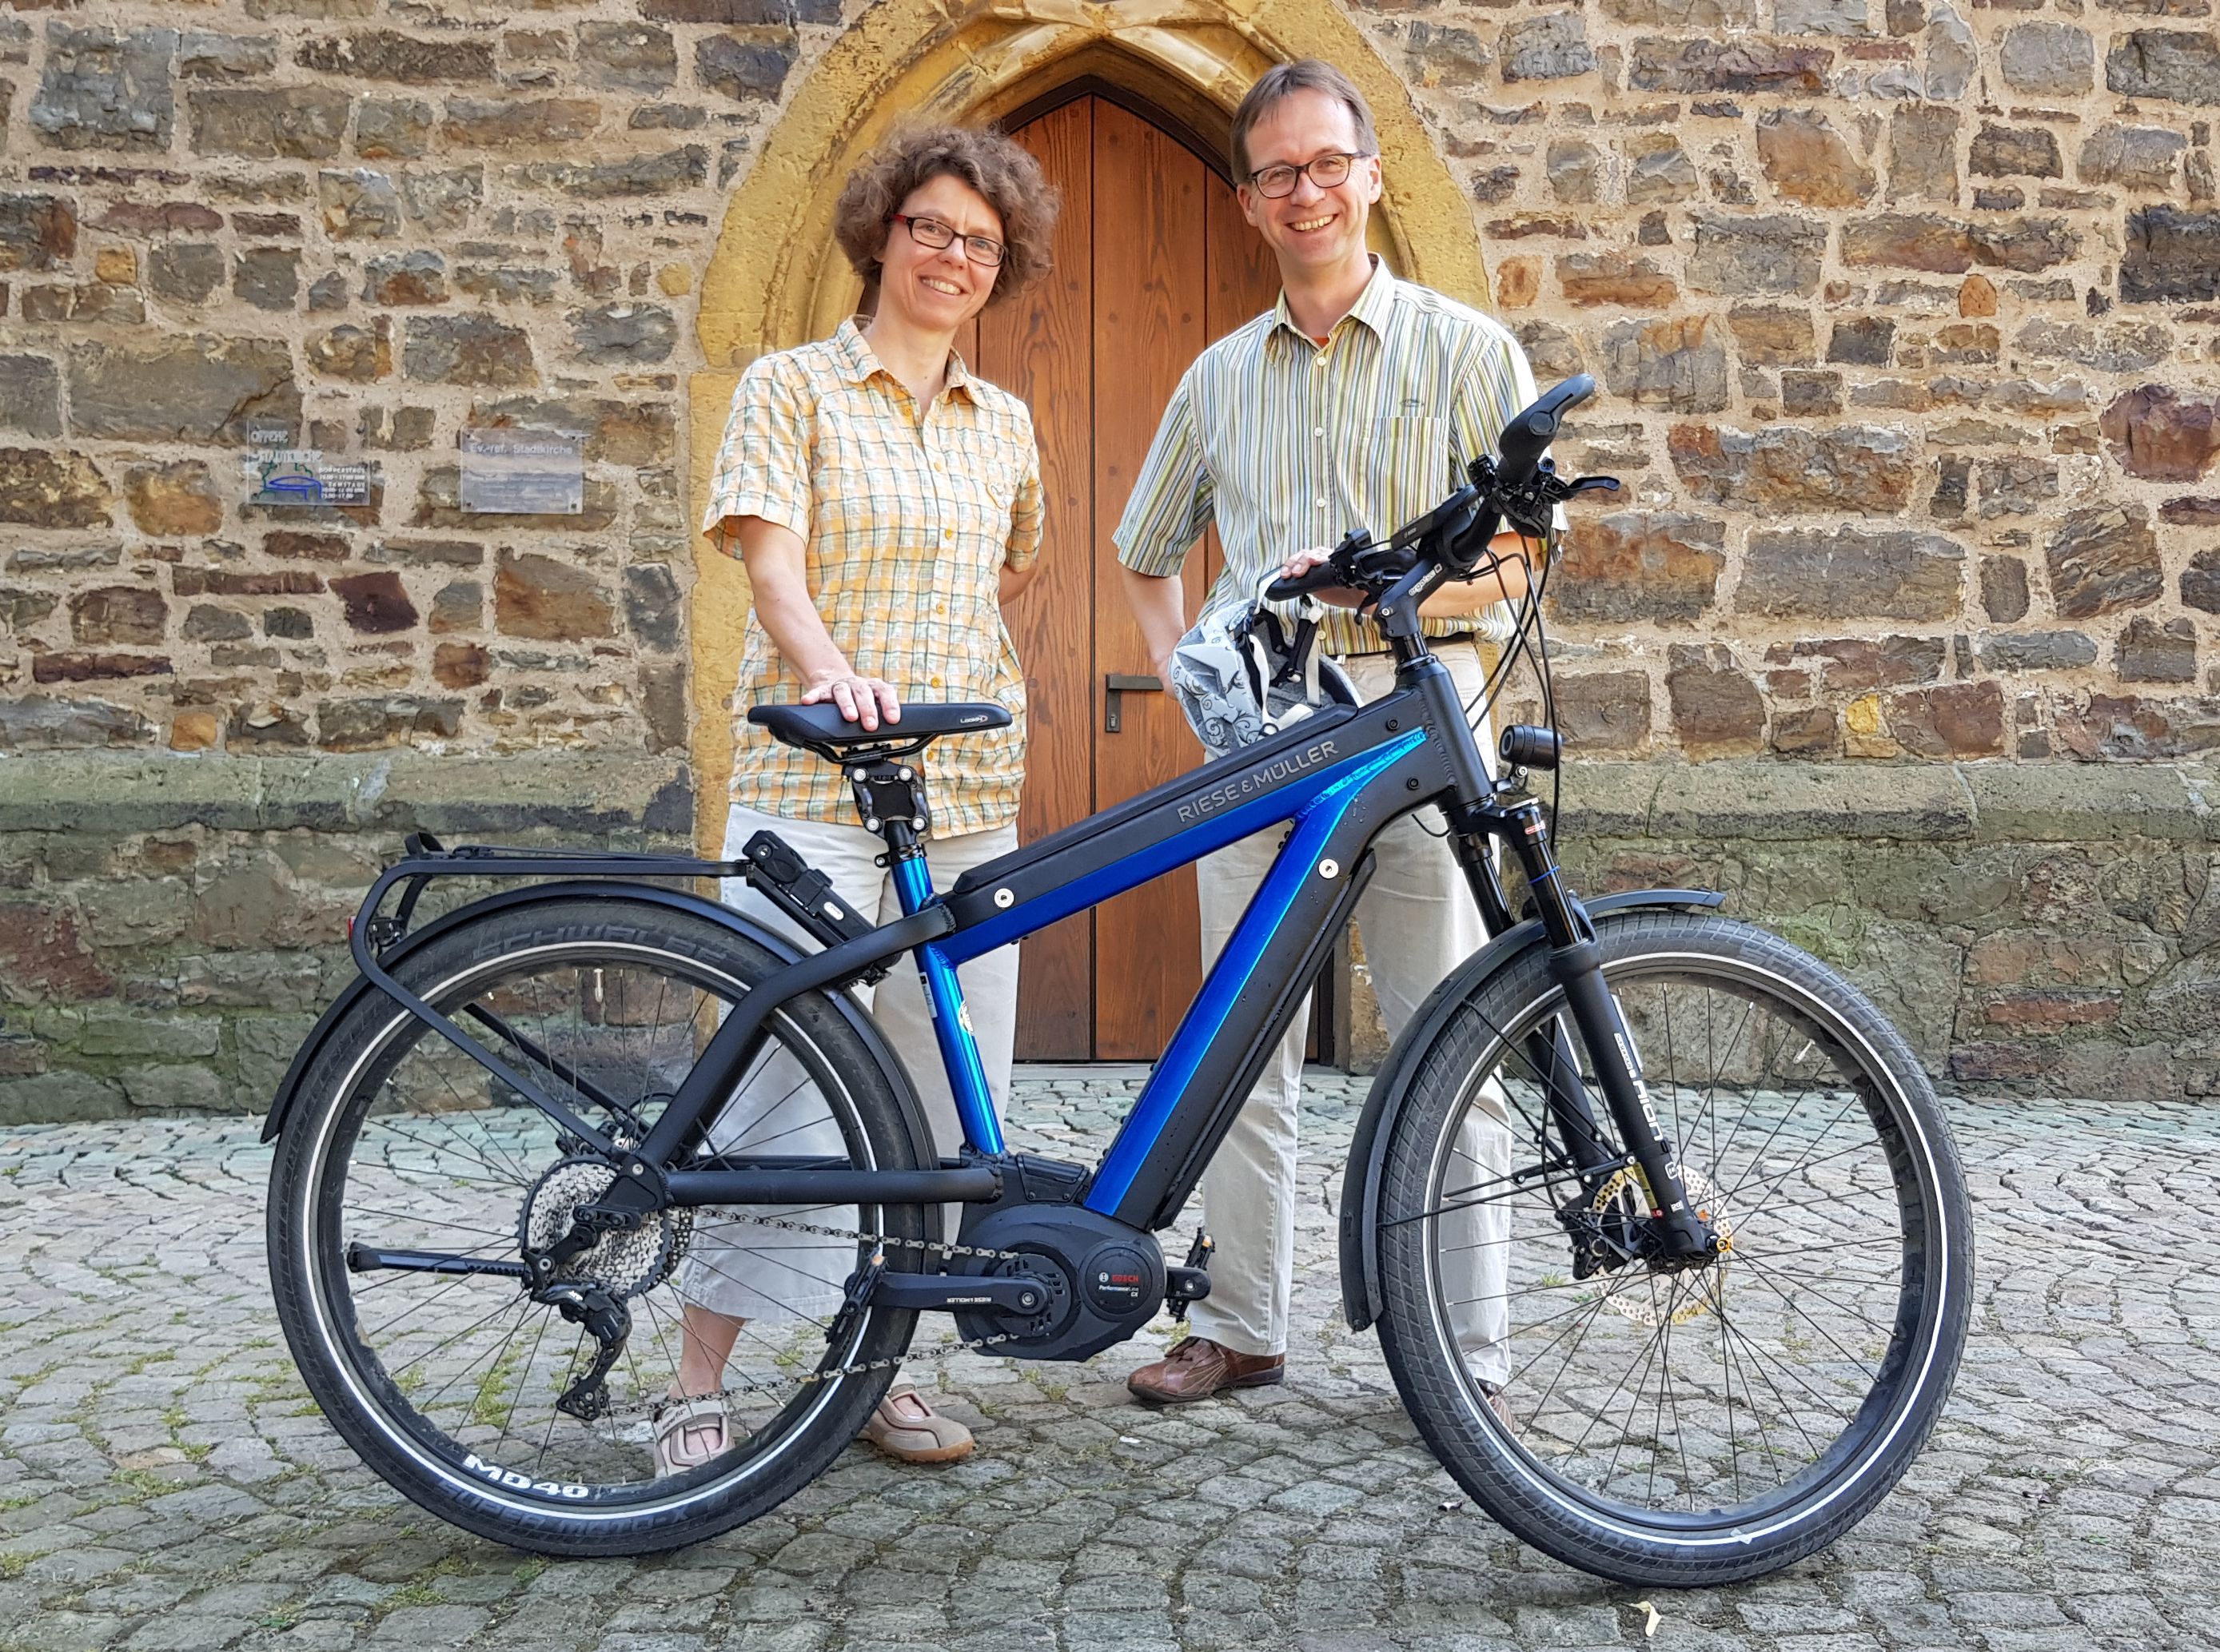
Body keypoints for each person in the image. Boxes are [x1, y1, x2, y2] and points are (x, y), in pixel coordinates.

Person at [1115, 60, 1546, 1406]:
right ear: (1249, 204)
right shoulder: (1215, 379)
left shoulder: (1468, 351)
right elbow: (1143, 553)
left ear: (1369, 177)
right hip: (1267, 742)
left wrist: (1411, 593)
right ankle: (1241, 1323)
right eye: (1276, 174)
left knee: (1449, 1039)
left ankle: (1462, 1359)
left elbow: (1528, 552)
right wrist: (1200, 694)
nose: (1304, 192)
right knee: (1238, 1049)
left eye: (1325, 165)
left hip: (1422, 715)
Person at [675, 125, 1058, 1471]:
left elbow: (1005, 574)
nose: (953, 257)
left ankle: (873, 1369)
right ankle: (695, 1382)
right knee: (779, 1090)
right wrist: (836, 673)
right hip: (815, 780)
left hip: (962, 790)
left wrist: (928, 672)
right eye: (932, 229)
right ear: (882, 236)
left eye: (981, 244)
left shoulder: (1004, 424)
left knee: (940, 1106)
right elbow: (771, 571)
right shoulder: (792, 387)